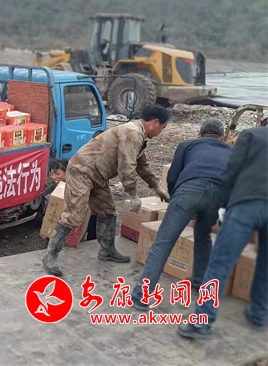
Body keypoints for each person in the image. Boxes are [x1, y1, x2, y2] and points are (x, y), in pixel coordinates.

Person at [42, 105, 171, 276]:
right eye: (163, 127)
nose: (161, 132)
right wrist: (133, 195)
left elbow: (142, 165)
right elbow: (126, 167)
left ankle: (107, 250)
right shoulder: (133, 133)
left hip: (97, 174)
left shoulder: (137, 135)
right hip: (82, 170)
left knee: (107, 211)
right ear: (155, 122)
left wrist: (157, 187)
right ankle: (50, 255)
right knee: (74, 215)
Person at [177, 123, 268, 340]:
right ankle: (259, 314)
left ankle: (201, 323)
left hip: (246, 204)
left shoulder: (252, 135)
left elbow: (231, 172)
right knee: (265, 267)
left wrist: (223, 207)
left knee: (219, 264)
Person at [131, 119, 232, 310]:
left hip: (189, 190)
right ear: (222, 137)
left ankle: (141, 296)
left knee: (163, 242)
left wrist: (179, 201)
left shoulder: (188, 145)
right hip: (218, 194)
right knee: (203, 236)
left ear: (200, 135)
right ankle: (199, 282)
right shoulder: (230, 151)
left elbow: (173, 176)